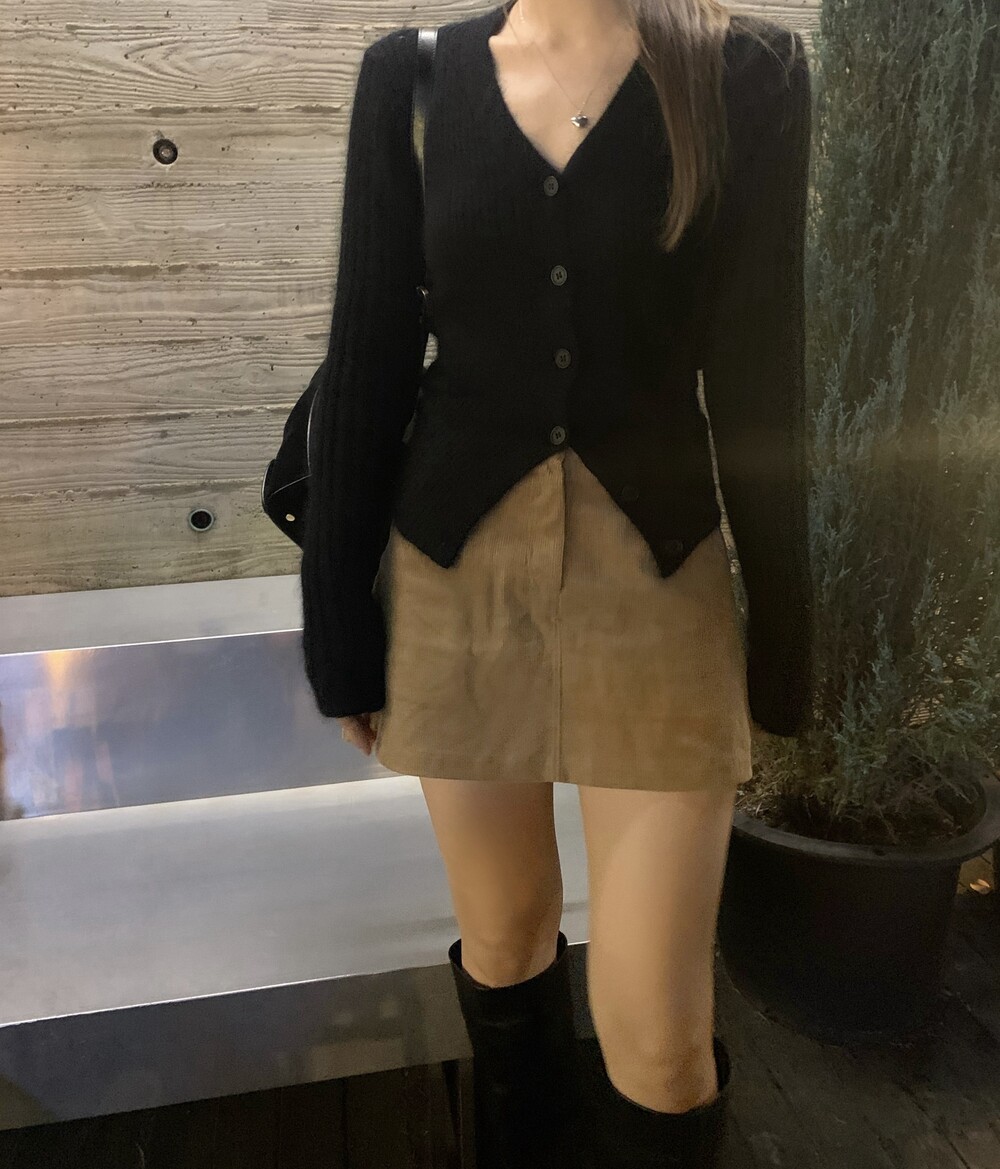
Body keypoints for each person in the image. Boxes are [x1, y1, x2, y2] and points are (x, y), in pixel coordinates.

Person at [300, 1, 814, 1165]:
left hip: (659, 579)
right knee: (505, 939)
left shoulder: (747, 73)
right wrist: (338, 627)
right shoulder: (412, 80)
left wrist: (785, 633)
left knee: (662, 1043)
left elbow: (760, 368)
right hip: (455, 577)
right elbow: (368, 353)